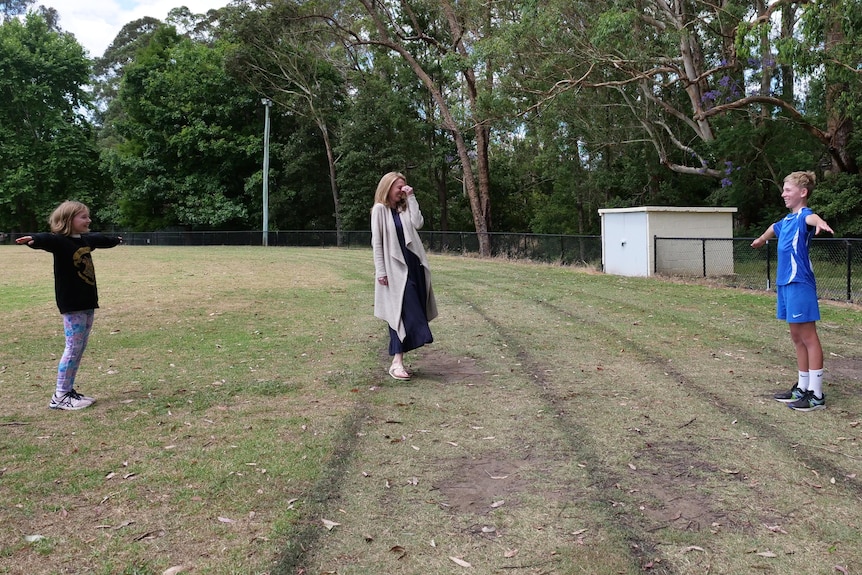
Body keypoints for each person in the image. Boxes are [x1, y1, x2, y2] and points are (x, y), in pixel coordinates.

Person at [16, 201, 123, 410]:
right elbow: (47, 240)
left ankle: (68, 391)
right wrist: (34, 239)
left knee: (80, 346)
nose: (88, 220)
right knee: (73, 347)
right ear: (68, 220)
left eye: (88, 216)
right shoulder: (60, 242)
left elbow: (99, 239)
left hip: (87, 301)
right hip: (72, 303)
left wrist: (115, 240)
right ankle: (60, 395)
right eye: (83, 217)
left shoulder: (83, 240)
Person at [751, 171, 834, 411]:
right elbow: (773, 228)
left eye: (788, 190)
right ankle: (802, 387)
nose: (783, 193)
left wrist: (820, 223)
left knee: (808, 337)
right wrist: (761, 239)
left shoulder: (804, 217)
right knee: (796, 337)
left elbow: (813, 218)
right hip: (785, 284)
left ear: (802, 192)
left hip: (800, 283)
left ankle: (816, 395)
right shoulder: (786, 221)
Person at [371, 172, 438, 381]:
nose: (402, 190)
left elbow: (418, 223)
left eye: (404, 186)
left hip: (414, 265)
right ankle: (397, 362)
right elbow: (378, 243)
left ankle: (397, 362)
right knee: (400, 312)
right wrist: (380, 271)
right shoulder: (380, 210)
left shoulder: (404, 207)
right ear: (388, 187)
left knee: (404, 311)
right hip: (394, 269)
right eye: (399, 187)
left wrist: (412, 198)